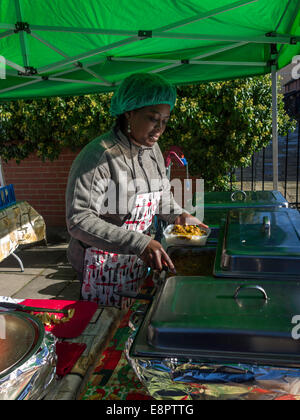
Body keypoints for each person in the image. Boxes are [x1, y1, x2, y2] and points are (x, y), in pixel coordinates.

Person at [66, 72, 207, 308]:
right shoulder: (99, 156)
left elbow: (161, 197)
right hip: (100, 266)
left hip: (136, 261)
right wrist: (138, 242)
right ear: (129, 112)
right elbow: (78, 219)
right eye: (153, 119)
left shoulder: (152, 149)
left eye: (164, 120)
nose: (159, 129)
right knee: (105, 327)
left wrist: (181, 216)